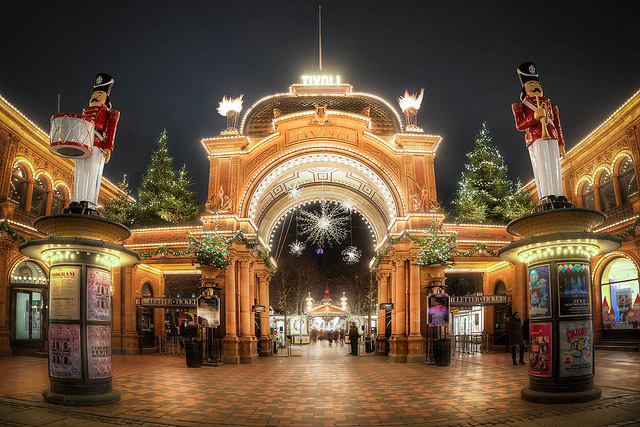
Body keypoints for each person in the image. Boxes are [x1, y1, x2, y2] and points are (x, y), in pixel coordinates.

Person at [511, 62, 566, 205]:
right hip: (535, 136)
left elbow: (557, 124)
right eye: (531, 84)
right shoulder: (521, 105)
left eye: (538, 85)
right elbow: (520, 125)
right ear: (524, 88)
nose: (536, 87)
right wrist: (533, 117)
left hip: (552, 135)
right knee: (542, 165)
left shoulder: (549, 104)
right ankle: (546, 196)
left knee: (554, 165)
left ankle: (559, 194)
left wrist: (561, 144)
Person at [74, 73, 120, 209]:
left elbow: (110, 130)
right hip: (83, 144)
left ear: (106, 99)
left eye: (100, 95)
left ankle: (89, 202)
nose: (95, 97)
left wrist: (108, 148)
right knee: (80, 171)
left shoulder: (109, 113)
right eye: (94, 95)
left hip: (97, 144)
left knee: (93, 172)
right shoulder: (85, 111)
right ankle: (77, 199)